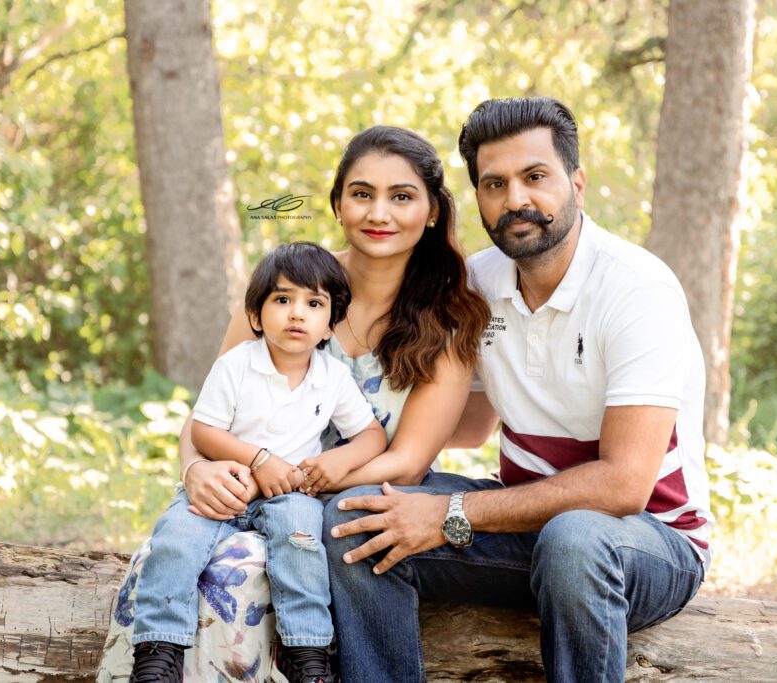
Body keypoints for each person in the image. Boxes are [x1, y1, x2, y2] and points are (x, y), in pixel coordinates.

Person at [324, 97, 715, 682]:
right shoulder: (477, 283)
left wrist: (451, 511)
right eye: (494, 184)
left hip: (647, 544)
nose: (516, 200)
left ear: (577, 182)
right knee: (358, 517)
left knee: (576, 539)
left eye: (535, 177)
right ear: (476, 197)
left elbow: (625, 485)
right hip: (524, 530)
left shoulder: (636, 290)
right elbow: (471, 424)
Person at [165, 126, 492, 679]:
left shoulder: (449, 314)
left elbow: (408, 461)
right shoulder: (290, 288)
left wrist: (298, 479)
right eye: (362, 194)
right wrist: (196, 469)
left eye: (402, 196)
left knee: (330, 534)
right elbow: (210, 411)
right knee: (213, 564)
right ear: (338, 204)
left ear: (433, 210)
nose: (379, 212)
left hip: (356, 496)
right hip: (251, 490)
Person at [130, 242, 388, 683]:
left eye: (314, 303)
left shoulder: (332, 377)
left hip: (287, 494)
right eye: (282, 300)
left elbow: (371, 435)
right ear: (255, 316)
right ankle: (159, 650)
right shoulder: (236, 366)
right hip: (226, 483)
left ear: (330, 325)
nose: (297, 313)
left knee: (303, 541)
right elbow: (204, 431)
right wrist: (258, 459)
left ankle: (306, 653)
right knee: (175, 537)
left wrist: (340, 460)